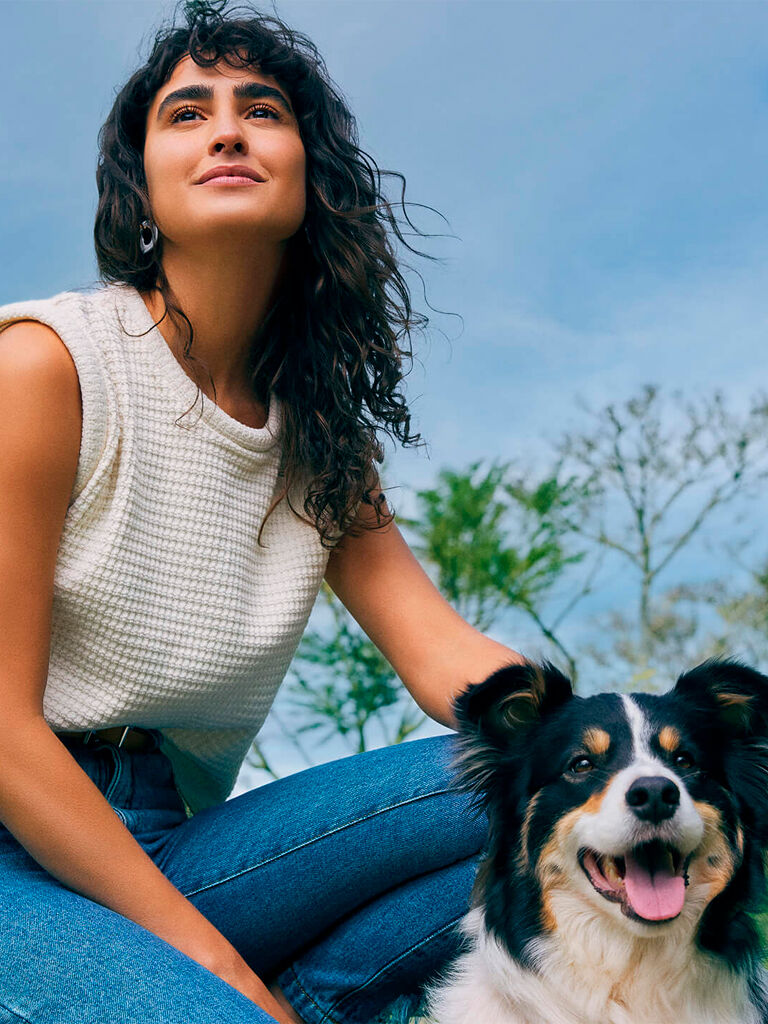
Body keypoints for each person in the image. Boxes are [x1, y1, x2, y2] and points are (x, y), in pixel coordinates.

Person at [0, 2, 523, 1022]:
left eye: (262, 109)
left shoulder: (320, 441)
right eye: (187, 113)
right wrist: (225, 977)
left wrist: (630, 745)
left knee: (551, 807)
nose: (228, 129)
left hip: (173, 841)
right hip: (13, 839)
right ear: (140, 187)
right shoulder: (45, 367)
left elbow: (446, 655)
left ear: (308, 174)